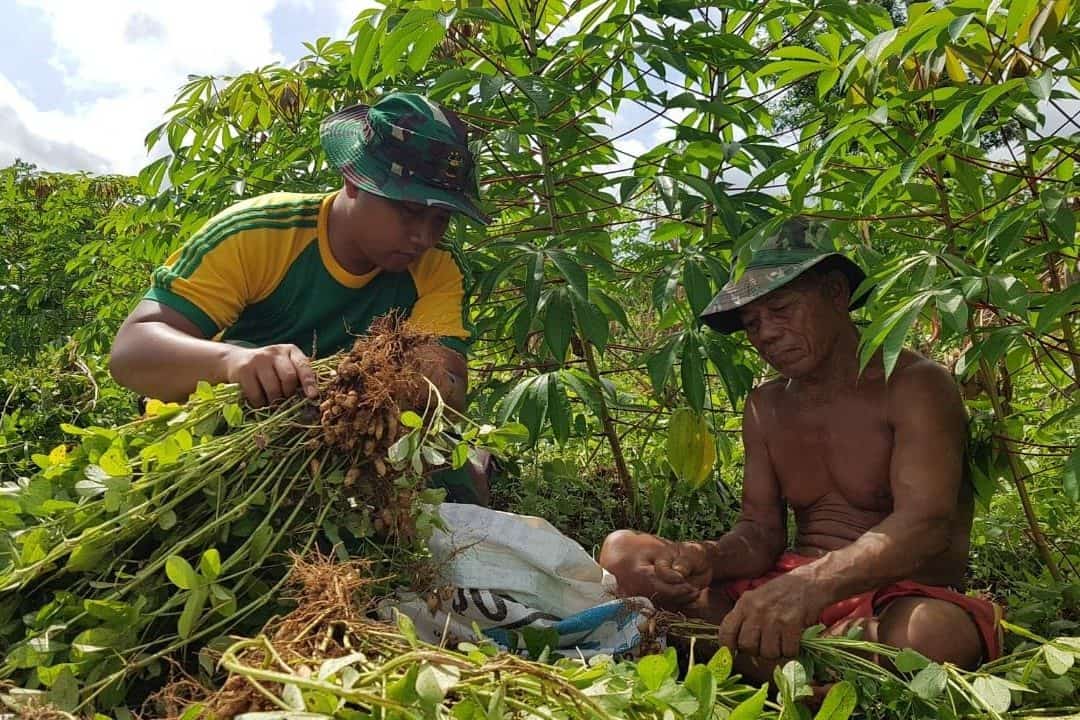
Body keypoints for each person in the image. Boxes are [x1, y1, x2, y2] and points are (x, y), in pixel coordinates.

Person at [599, 218, 1002, 676]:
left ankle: (747, 656)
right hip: (784, 593)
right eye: (752, 323)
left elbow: (925, 526)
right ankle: (796, 662)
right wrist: (706, 558)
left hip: (894, 599)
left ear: (835, 293)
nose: (766, 334)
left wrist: (812, 585)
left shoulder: (914, 385)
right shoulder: (765, 405)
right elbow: (759, 531)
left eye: (782, 310)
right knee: (623, 555)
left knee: (929, 635)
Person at [109, 92, 492, 504]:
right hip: (241, 423)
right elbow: (131, 353)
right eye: (409, 211)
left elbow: (450, 380)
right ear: (353, 180)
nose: (423, 237)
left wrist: (430, 380)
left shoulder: (436, 265)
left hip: (350, 440)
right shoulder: (258, 232)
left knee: (465, 482)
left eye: (440, 220)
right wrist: (233, 362)